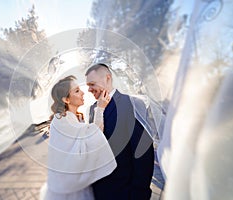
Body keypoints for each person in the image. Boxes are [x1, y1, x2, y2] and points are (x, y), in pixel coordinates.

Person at [40, 75, 117, 200]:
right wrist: (100, 108)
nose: (82, 93)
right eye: (76, 91)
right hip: (66, 188)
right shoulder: (61, 120)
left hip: (77, 184)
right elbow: (94, 134)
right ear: (66, 99)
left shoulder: (77, 118)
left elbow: (90, 138)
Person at [86, 63, 155, 200]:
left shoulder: (131, 104)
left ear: (107, 78)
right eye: (88, 85)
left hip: (124, 192)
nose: (89, 89)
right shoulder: (93, 109)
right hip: (98, 192)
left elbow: (143, 154)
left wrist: (138, 195)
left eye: (92, 84)